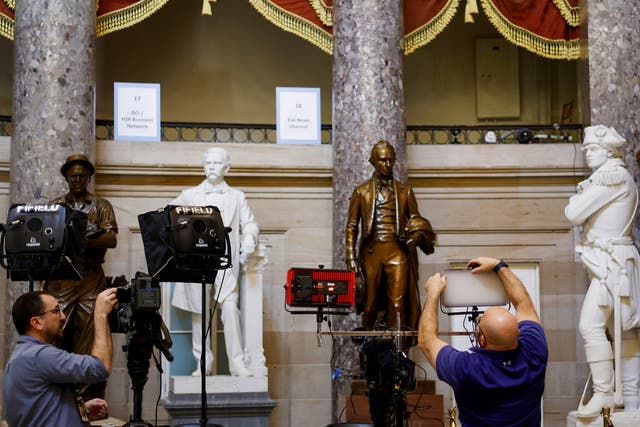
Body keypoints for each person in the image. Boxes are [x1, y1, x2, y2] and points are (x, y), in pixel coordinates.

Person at [418, 257, 548, 426]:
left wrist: (433, 293)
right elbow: (524, 304)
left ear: (482, 339)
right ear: (518, 332)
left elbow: (426, 340)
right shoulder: (535, 351)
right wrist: (499, 266)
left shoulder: (466, 369)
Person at [565, 124, 640, 416]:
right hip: (612, 261)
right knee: (624, 332)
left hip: (613, 264)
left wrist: (576, 200)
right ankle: (631, 402)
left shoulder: (612, 177)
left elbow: (573, 213)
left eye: (592, 149)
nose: (587, 154)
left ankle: (605, 393)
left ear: (609, 151)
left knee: (592, 326)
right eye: (584, 150)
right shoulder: (613, 177)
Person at [171, 147, 259, 376]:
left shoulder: (237, 196)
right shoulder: (189, 194)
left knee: (230, 308)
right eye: (208, 163)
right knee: (199, 311)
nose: (211, 166)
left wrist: (249, 236)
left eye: (216, 163)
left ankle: (237, 363)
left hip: (224, 261)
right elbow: (169, 215)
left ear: (226, 167)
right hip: (197, 261)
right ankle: (203, 362)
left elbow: (249, 222)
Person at [43, 153, 118, 400]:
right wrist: (90, 237)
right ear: (66, 177)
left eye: (82, 175)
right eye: (73, 175)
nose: (78, 179)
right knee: (55, 332)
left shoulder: (101, 205)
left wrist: (76, 239)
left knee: (90, 334)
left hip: (90, 276)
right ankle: (57, 396)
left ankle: (87, 400)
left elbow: (110, 238)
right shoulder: (55, 206)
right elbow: (49, 240)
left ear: (88, 177)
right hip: (61, 276)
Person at [346, 140, 435, 332]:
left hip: (398, 252)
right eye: (383, 160)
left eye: (391, 160)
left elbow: (417, 220)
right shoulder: (361, 192)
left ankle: (396, 354)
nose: (387, 165)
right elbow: (352, 226)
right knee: (369, 306)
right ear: (373, 161)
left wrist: (415, 237)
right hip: (372, 253)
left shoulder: (405, 191)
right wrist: (350, 257)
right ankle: (369, 351)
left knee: (397, 305)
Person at [3, 288, 118, 427]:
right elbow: (100, 367)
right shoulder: (40, 355)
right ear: (36, 322)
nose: (63, 316)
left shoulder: (21, 354)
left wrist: (81, 410)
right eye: (56, 310)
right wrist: (100, 315)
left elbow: (37, 410)